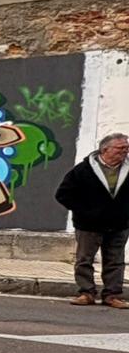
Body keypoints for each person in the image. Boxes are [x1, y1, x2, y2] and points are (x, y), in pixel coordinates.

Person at [54, 131, 128, 308]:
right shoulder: (83, 170)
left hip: (119, 224)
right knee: (84, 259)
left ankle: (112, 294)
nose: (124, 152)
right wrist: (85, 211)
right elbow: (63, 194)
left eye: (127, 148)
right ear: (105, 149)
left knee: (115, 261)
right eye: (120, 148)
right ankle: (86, 292)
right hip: (89, 225)